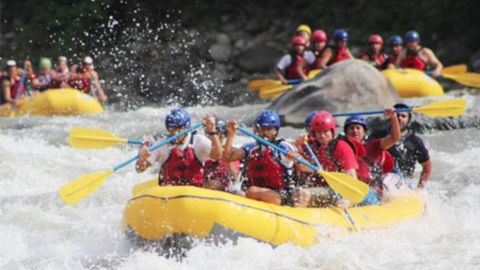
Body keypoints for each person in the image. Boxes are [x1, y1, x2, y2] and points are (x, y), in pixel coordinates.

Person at [223, 110, 301, 206]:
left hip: (281, 196)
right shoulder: (251, 148)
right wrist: (230, 135)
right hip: (255, 194)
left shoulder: (283, 147)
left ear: (275, 130)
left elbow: (306, 167)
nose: (265, 133)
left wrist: (296, 160)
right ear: (257, 130)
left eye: (269, 129)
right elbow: (227, 158)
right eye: (262, 129)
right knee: (235, 192)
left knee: (252, 191)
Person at [135, 108, 223, 187]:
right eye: (171, 129)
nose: (174, 133)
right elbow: (139, 169)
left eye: (178, 129)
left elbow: (218, 156)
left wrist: (212, 131)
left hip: (195, 191)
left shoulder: (198, 141)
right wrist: (141, 160)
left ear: (186, 127)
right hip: (170, 193)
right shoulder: (162, 144)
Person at [293, 111, 359, 208]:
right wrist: (297, 145)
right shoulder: (312, 145)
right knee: (296, 192)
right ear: (313, 133)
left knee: (303, 194)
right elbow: (306, 167)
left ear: (332, 131)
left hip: (339, 191)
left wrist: (348, 199)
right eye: (319, 132)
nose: (322, 135)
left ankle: (297, 221)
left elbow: (352, 177)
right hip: (319, 187)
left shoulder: (341, 147)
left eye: (325, 131)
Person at [343, 108, 401, 200]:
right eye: (351, 128)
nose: (355, 131)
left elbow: (395, 138)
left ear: (365, 132)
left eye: (358, 128)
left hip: (373, 190)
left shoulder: (374, 146)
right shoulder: (340, 148)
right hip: (353, 189)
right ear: (346, 132)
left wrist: (393, 117)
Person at [384, 103, 432, 189]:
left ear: (408, 119)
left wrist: (419, 189)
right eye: (397, 115)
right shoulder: (381, 136)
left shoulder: (415, 141)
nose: (399, 118)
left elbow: (427, 166)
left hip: (405, 182)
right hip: (384, 180)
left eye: (403, 116)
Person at [203, 118, 241, 191]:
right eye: (208, 133)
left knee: (240, 193)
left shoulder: (232, 152)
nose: (211, 136)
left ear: (222, 135)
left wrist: (227, 157)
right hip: (204, 190)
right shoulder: (201, 149)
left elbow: (234, 177)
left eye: (214, 133)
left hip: (224, 192)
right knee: (210, 184)